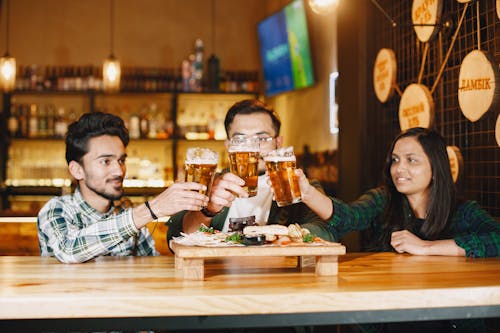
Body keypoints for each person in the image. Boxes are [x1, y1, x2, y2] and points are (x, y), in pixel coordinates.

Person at [296, 126, 500, 258]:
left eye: (411, 160)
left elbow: (497, 238)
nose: (399, 168)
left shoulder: (461, 212)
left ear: (436, 169)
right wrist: (307, 193)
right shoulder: (382, 200)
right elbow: (348, 217)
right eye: (395, 160)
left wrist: (426, 248)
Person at [38, 112, 208, 263]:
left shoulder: (126, 210)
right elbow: (68, 250)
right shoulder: (56, 209)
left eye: (121, 160)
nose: (119, 171)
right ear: (77, 170)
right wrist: (152, 208)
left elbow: (150, 267)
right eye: (106, 161)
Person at [167, 99, 334, 243]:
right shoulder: (210, 183)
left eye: (261, 139)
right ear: (228, 146)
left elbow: (326, 232)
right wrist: (207, 211)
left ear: (278, 142)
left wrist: (280, 237)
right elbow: (175, 237)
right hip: (215, 277)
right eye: (240, 139)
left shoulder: (302, 188)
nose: (251, 148)